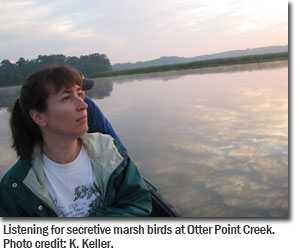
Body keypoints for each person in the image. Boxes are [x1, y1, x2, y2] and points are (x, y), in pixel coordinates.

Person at [0, 65, 152, 217]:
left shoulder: (110, 152)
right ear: (39, 117)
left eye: (79, 94)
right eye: (66, 98)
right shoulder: (16, 186)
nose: (84, 105)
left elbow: (137, 202)